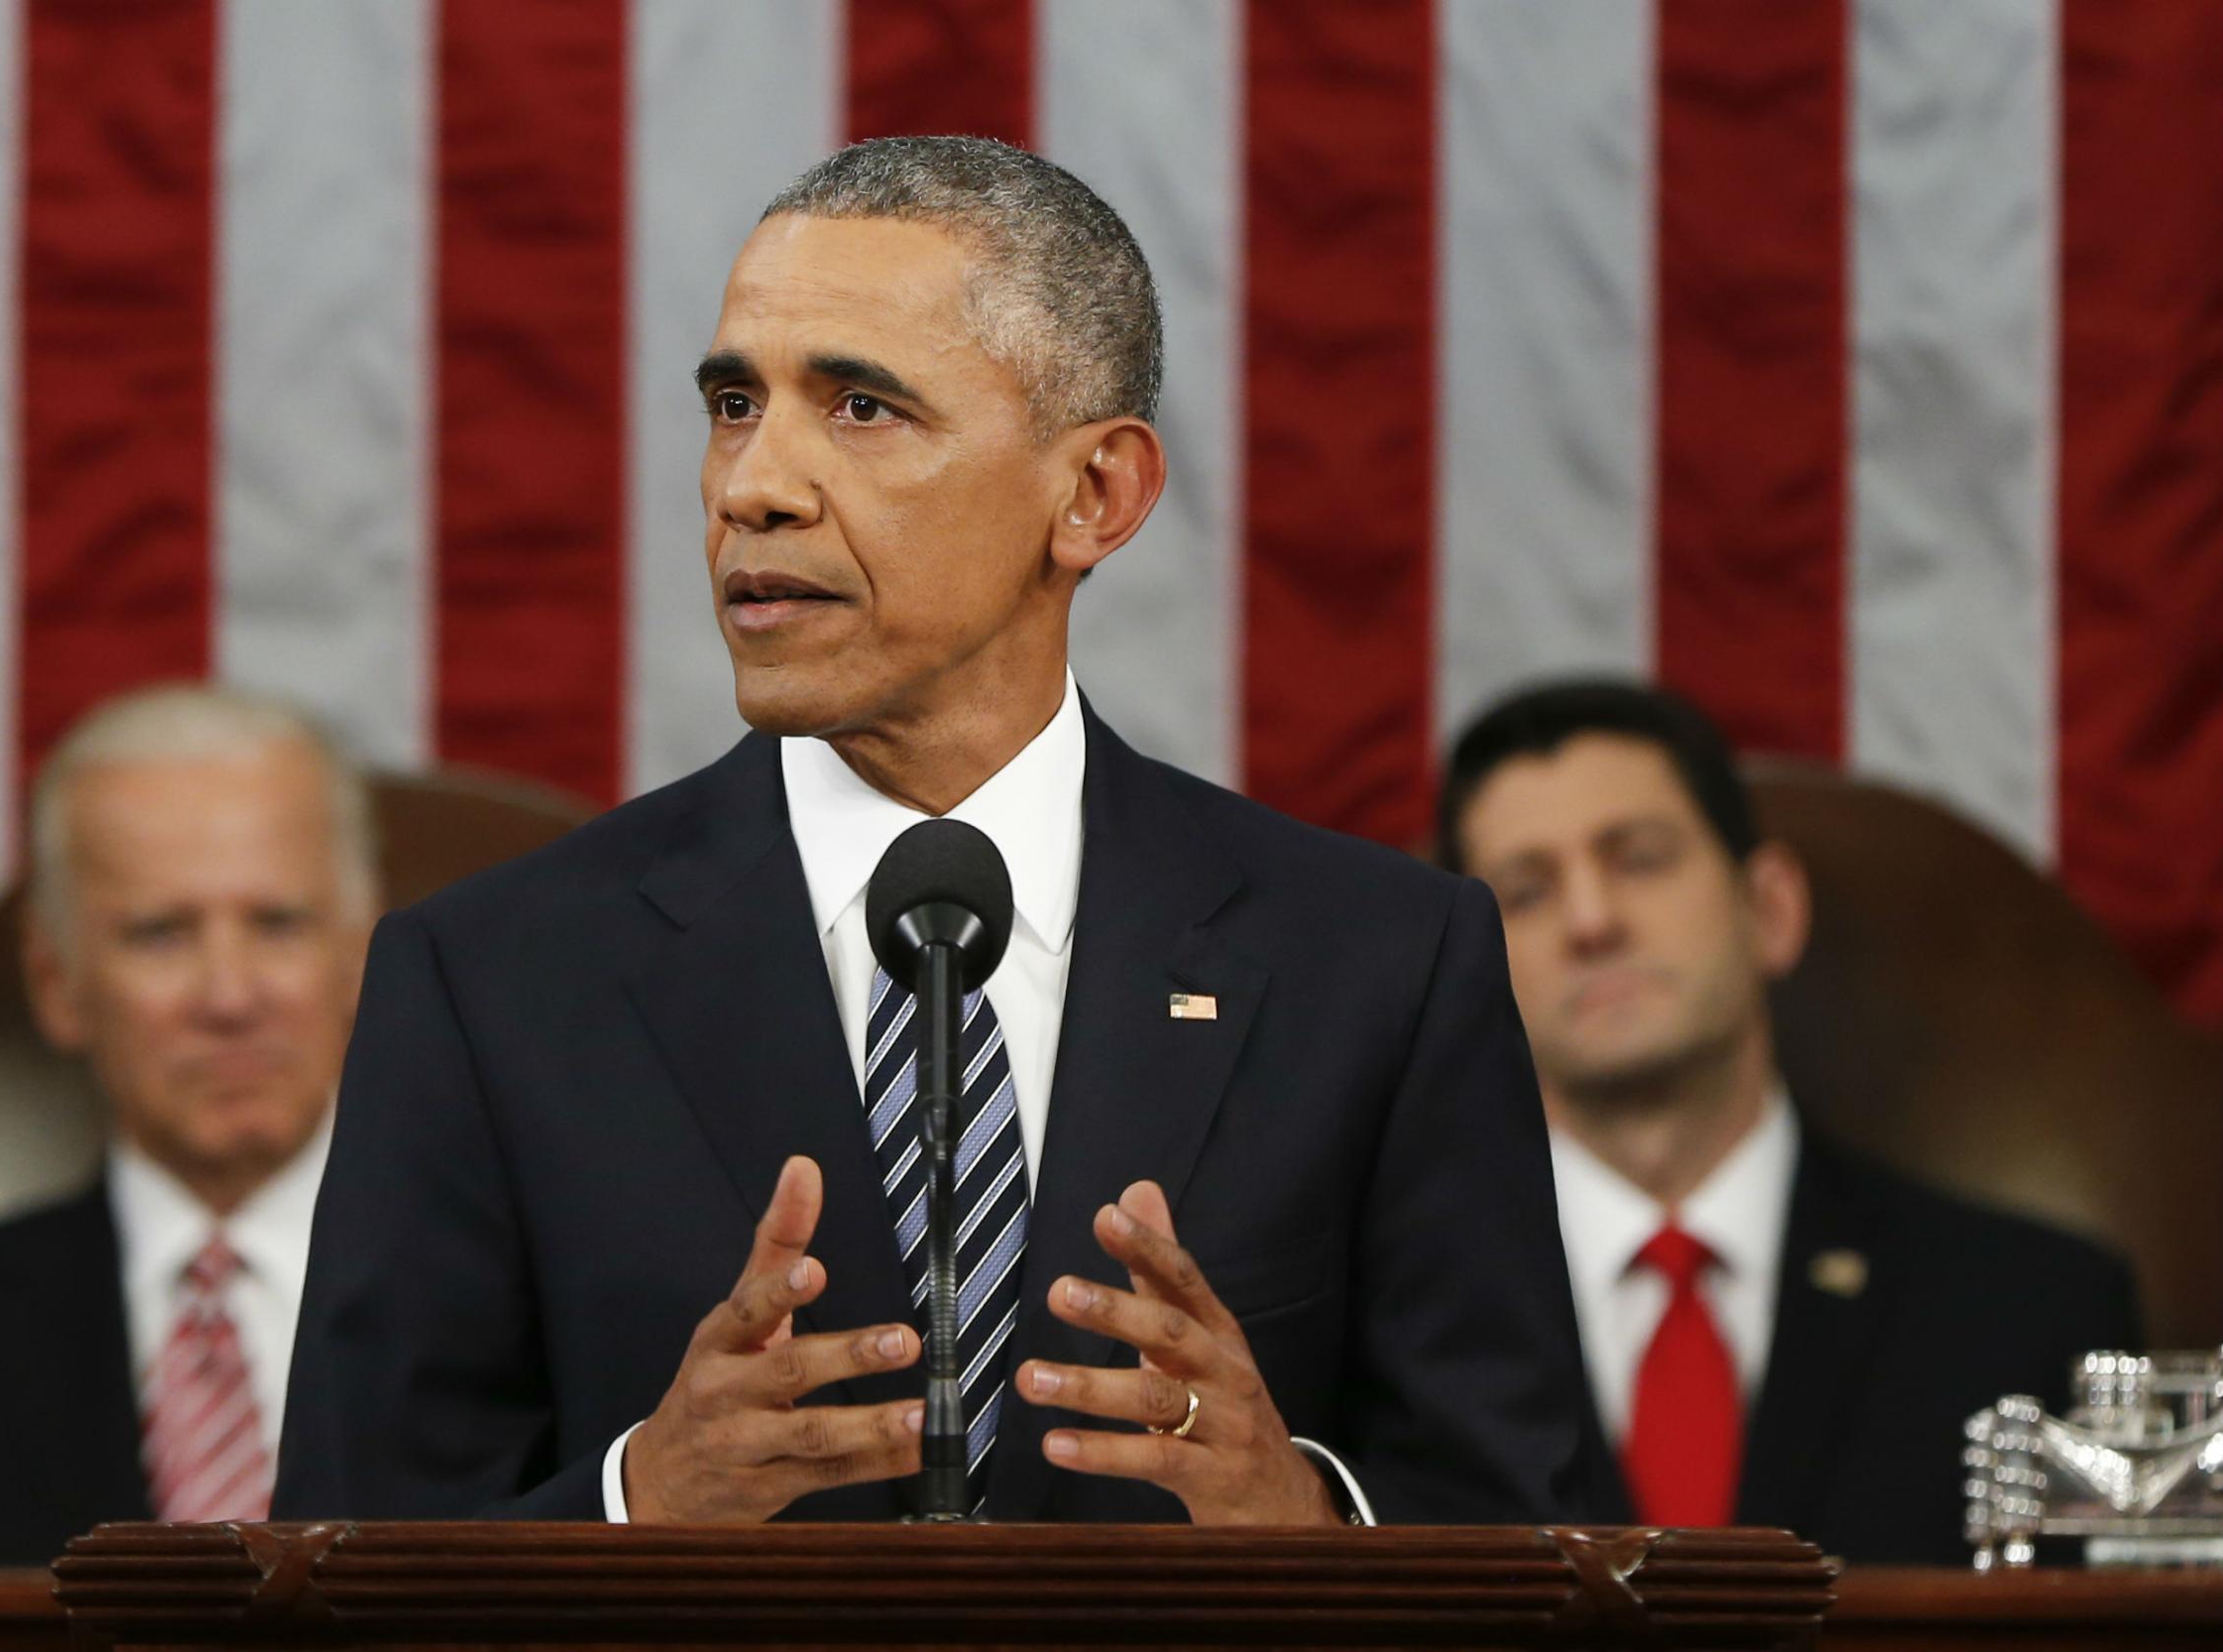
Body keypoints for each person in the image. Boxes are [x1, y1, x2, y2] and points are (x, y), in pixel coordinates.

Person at [275, 137, 1596, 1528]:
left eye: (859, 407)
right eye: (734, 403)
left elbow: (1533, 1530)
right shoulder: (487, 984)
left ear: (1094, 495)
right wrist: (634, 1501)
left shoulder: (1381, 966)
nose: (751, 487)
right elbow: (339, 1571)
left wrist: (1304, 1518)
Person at [1437, 678, 2143, 1563]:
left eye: (1641, 858)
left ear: (1768, 907)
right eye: (1526, 891)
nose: (1591, 921)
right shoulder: (1399, 1332)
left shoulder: (2034, 1309)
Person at [0, 684, 376, 1565]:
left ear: (359, 956)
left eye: (278, 923)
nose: (230, 997)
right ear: (56, 982)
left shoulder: (516, 1312)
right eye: (160, 934)